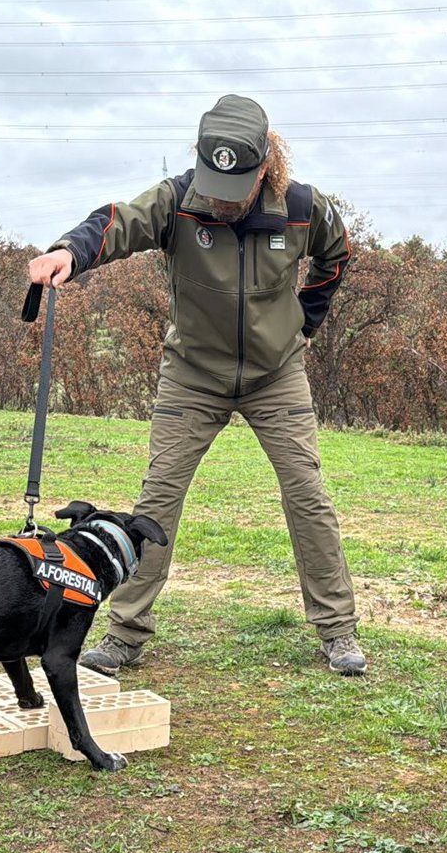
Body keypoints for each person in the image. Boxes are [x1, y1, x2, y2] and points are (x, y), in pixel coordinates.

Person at [25, 95, 367, 677]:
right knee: (159, 498)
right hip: (193, 375)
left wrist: (304, 322)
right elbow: (115, 223)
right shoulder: (177, 201)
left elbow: (337, 257)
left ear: (266, 165)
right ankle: (126, 633)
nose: (222, 200)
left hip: (276, 374)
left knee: (307, 494)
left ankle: (336, 630)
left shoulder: (307, 208)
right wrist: (68, 252)